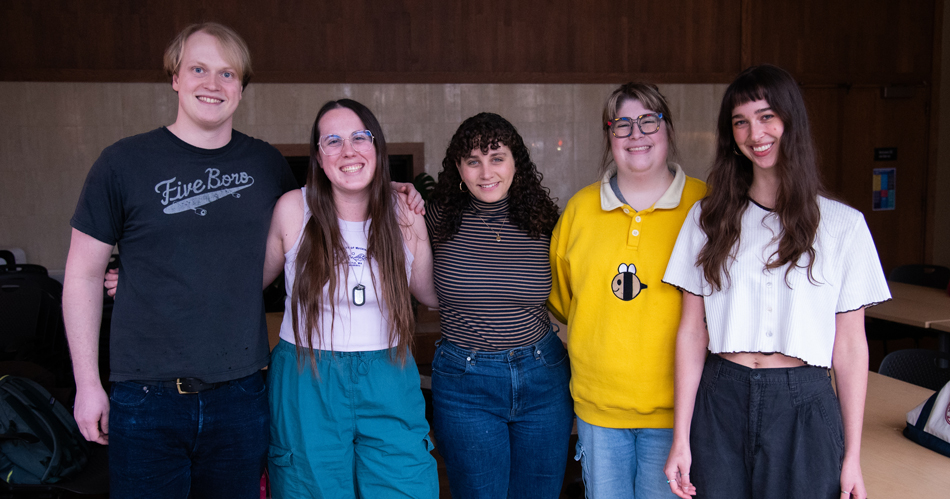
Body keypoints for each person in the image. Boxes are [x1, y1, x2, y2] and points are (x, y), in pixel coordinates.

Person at [63, 23, 298, 498]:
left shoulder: (267, 165)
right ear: (175, 77)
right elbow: (83, 275)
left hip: (241, 394)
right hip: (145, 398)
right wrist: (87, 384)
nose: (212, 84)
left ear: (241, 87)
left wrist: (396, 192)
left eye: (227, 73)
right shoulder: (122, 163)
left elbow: (321, 219)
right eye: (199, 69)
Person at [662, 64, 890, 499]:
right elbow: (692, 331)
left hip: (804, 402)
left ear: (791, 121)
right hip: (720, 398)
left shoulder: (844, 227)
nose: (754, 133)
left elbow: (850, 346)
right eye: (740, 122)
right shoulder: (707, 219)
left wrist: (853, 456)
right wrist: (681, 438)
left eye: (766, 116)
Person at [263, 99, 439, 498]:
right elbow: (245, 282)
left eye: (360, 137)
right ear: (319, 157)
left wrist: (420, 228)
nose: (348, 150)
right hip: (309, 375)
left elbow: (429, 292)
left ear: (376, 147)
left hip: (388, 372)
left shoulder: (401, 211)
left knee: (408, 484)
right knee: (310, 488)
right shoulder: (293, 209)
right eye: (333, 141)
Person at [548, 83, 707, 499]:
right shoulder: (580, 210)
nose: (636, 134)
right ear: (609, 137)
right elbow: (565, 303)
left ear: (668, 130)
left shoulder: (706, 205)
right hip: (599, 411)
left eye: (648, 121)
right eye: (622, 125)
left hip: (679, 413)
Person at [424, 113, 572, 498]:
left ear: (516, 163)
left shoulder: (544, 221)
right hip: (465, 382)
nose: (485, 172)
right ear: (458, 167)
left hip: (543, 375)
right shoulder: (434, 219)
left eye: (497, 157)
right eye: (473, 160)